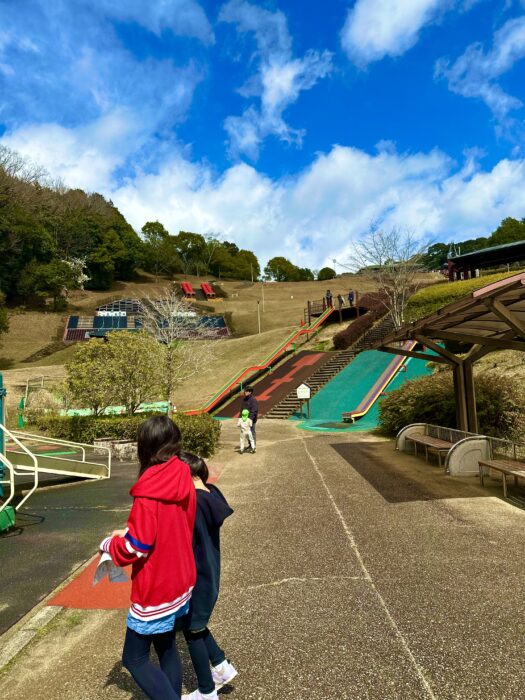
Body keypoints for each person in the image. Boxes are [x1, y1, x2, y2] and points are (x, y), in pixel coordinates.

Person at [100, 416, 196, 700]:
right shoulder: (181, 472)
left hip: (157, 586)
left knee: (135, 658)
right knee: (166, 646)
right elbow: (168, 526)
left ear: (145, 447)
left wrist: (109, 543)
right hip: (181, 577)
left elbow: (136, 548)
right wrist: (129, 531)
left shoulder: (148, 491)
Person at [179, 451, 237, 700]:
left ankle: (206, 691)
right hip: (209, 573)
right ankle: (221, 667)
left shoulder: (193, 502)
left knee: (191, 632)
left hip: (197, 577)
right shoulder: (210, 493)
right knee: (197, 625)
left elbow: (184, 540)